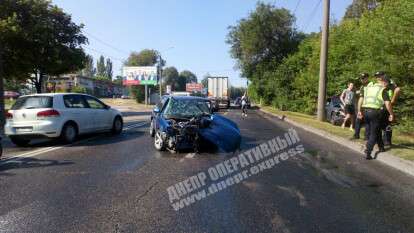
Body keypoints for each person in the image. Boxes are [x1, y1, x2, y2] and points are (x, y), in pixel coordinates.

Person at [357, 73, 394, 160]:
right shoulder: (382, 90)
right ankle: (368, 151)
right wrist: (391, 114)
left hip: (365, 111)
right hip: (375, 113)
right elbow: (388, 103)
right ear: (384, 82)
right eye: (387, 83)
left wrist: (359, 111)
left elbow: (361, 99)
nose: (387, 85)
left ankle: (381, 147)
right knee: (373, 133)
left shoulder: (369, 88)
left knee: (375, 130)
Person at [376, 71, 401, 146]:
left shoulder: (390, 83)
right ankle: (381, 140)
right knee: (382, 124)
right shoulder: (377, 84)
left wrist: (393, 100)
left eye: (379, 76)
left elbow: (398, 89)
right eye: (377, 76)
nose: (378, 78)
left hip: (387, 106)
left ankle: (387, 141)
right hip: (380, 107)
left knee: (387, 124)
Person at [353, 73, 370, 140]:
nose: (361, 80)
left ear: (367, 78)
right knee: (358, 120)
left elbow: (362, 97)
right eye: (361, 78)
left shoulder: (370, 85)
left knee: (367, 122)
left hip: (367, 106)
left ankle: (366, 137)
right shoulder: (362, 86)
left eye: (363, 78)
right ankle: (356, 135)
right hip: (362, 106)